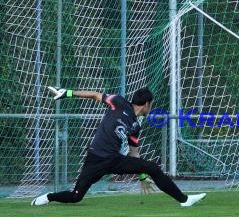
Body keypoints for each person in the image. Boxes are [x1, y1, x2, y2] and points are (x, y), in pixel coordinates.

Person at [31, 86, 206, 207]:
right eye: (151, 104)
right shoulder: (119, 102)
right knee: (76, 196)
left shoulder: (136, 125)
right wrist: (67, 93)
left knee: (152, 167)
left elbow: (134, 153)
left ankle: (184, 200)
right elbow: (95, 95)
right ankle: (48, 197)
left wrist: (143, 176)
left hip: (114, 160)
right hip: (96, 158)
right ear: (146, 104)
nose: (150, 107)